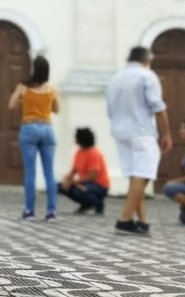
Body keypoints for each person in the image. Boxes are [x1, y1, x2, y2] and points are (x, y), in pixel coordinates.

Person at [106, 46, 172, 235]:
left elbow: (110, 110)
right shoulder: (147, 75)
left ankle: (143, 221)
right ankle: (124, 219)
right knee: (143, 175)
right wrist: (166, 134)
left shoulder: (115, 78)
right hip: (142, 131)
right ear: (147, 59)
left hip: (120, 132)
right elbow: (158, 107)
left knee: (135, 176)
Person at [8, 55, 59, 221]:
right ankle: (51, 212)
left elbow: (11, 104)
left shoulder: (24, 87)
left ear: (34, 69)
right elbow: (56, 109)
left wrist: (25, 101)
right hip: (47, 129)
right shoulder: (51, 88)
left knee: (30, 172)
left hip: (29, 128)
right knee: (49, 172)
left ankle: (29, 211)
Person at [58, 127, 110, 215]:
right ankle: (86, 204)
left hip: (99, 185)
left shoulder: (94, 153)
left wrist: (74, 182)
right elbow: (73, 170)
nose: (74, 139)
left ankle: (98, 204)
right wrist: (66, 180)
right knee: (60, 186)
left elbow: (92, 177)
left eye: (76, 137)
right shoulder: (79, 152)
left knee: (77, 191)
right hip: (84, 183)